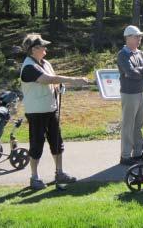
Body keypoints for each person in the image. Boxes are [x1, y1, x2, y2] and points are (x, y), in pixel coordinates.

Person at [20, 33, 89, 190]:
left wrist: (60, 86)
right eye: (42, 46)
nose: (45, 48)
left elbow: (54, 82)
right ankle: (35, 177)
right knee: (36, 144)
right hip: (36, 112)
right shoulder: (29, 67)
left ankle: (59, 172)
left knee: (57, 142)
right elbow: (48, 80)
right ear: (34, 49)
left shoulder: (46, 63)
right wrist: (74, 80)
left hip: (51, 109)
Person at [117, 25, 143, 166]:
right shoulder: (122, 54)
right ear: (128, 38)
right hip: (129, 94)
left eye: (140, 37)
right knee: (128, 125)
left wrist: (138, 71)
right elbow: (130, 73)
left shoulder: (140, 53)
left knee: (138, 125)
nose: (139, 39)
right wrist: (141, 71)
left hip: (140, 92)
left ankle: (138, 153)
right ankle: (125, 156)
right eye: (136, 36)